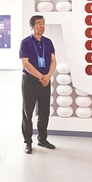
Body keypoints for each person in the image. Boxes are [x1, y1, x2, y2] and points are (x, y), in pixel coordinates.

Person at [19, 15, 57, 153]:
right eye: (39, 23)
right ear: (32, 26)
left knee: (44, 112)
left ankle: (42, 139)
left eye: (43, 23)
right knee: (27, 114)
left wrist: (48, 76)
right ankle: (28, 142)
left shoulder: (48, 42)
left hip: (45, 81)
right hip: (30, 81)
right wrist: (41, 76)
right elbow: (25, 63)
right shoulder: (25, 42)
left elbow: (53, 61)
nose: (42, 26)